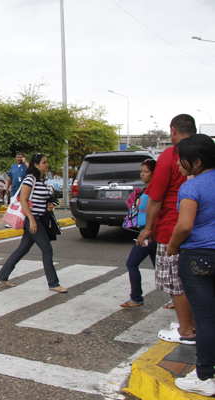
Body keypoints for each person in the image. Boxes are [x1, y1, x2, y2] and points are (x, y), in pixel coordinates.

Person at [137, 114, 196, 345]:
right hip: (197, 229)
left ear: (173, 131)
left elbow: (156, 196)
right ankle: (190, 323)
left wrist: (148, 228)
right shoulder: (203, 153)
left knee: (176, 282)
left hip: (173, 227)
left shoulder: (171, 155)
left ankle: (186, 330)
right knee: (192, 280)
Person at [166, 134, 215, 396]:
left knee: (206, 319)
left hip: (198, 256)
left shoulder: (191, 187)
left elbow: (184, 224)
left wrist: (174, 246)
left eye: (181, 159)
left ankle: (206, 376)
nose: (178, 164)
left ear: (196, 162)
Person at [0, 153, 66, 293]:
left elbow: (46, 199)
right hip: (32, 220)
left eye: (47, 162)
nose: (47, 164)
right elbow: (23, 199)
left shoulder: (41, 180)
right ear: (36, 165)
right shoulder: (30, 179)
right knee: (47, 250)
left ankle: (3, 274)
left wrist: (50, 205)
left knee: (22, 249)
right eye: (44, 162)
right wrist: (32, 220)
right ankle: (53, 283)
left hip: (39, 218)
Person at [120, 159, 158, 308]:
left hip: (150, 233)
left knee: (132, 263)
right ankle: (176, 298)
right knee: (159, 267)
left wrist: (148, 230)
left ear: (154, 173)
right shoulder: (146, 190)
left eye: (146, 171)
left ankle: (136, 298)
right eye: (141, 171)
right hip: (147, 231)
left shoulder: (155, 191)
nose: (142, 174)